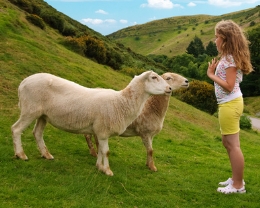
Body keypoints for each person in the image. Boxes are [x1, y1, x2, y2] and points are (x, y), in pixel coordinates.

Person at [207, 20, 253, 194]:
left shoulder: (229, 60)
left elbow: (229, 85)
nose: (215, 40)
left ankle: (238, 184)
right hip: (228, 104)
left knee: (233, 145)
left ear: (225, 39)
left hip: (230, 104)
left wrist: (211, 74)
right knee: (228, 143)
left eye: (217, 37)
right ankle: (235, 178)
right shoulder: (227, 58)